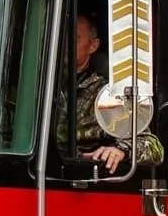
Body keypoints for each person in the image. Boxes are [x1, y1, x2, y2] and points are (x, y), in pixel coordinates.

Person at [56, 13, 162, 173]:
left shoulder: (106, 95)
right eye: (63, 36)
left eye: (75, 38)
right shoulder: (39, 86)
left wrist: (120, 150)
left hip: (79, 175)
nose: (66, 43)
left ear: (93, 46)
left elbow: (153, 147)